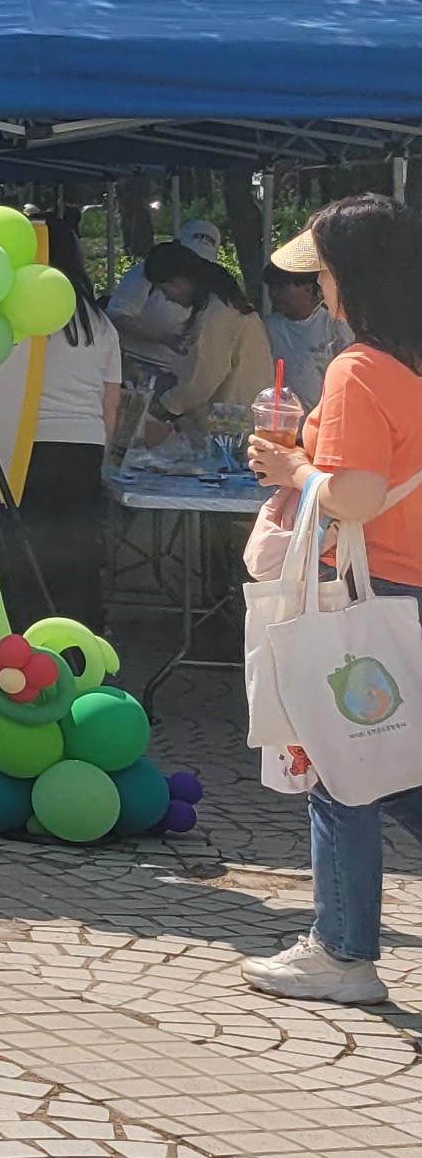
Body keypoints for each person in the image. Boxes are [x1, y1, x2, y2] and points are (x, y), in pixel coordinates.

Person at [243, 196, 422, 1003]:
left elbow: (353, 495)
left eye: (324, 272)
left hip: (365, 590)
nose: (319, 286)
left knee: (343, 766)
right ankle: (339, 949)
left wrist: (293, 471)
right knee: (396, 764)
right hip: (410, 587)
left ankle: (342, 953)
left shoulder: (359, 369)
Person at [19, 209, 122, 630]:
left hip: (29, 445)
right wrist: (103, 453)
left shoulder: (23, 315)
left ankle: (32, 635)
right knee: (79, 549)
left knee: (30, 548)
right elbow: (110, 403)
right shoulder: (101, 324)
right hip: (85, 445)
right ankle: (83, 638)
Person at [140, 240, 269, 439]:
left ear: (180, 281)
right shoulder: (227, 305)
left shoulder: (217, 314)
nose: (167, 298)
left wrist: (166, 407)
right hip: (244, 418)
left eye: (164, 290)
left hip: (231, 425)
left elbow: (204, 379)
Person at [108, 217, 230, 391]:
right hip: (132, 363)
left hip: (173, 371)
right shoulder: (148, 273)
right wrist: (167, 338)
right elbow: (117, 317)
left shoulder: (208, 287)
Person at [265, 259, 345, 414]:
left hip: (323, 418)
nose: (273, 294)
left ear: (307, 290)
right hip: (282, 419)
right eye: (271, 288)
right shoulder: (269, 327)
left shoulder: (334, 326)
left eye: (281, 288)